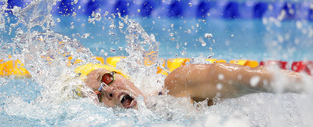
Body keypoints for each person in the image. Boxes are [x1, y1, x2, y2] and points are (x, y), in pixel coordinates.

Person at [74, 62, 309, 109]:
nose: (112, 91)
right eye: (100, 95)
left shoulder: (173, 87)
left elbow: (240, 76)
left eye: (108, 79)